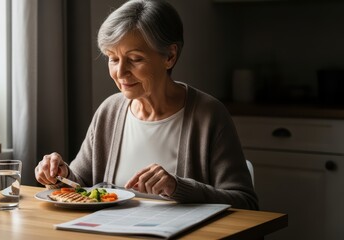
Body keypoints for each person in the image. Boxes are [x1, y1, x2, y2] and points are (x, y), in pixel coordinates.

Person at [35, 0, 258, 210]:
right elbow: (79, 184)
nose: (120, 73)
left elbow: (246, 203)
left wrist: (178, 187)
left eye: (135, 59)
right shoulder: (109, 111)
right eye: (113, 58)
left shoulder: (209, 115)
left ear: (170, 56)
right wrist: (58, 175)